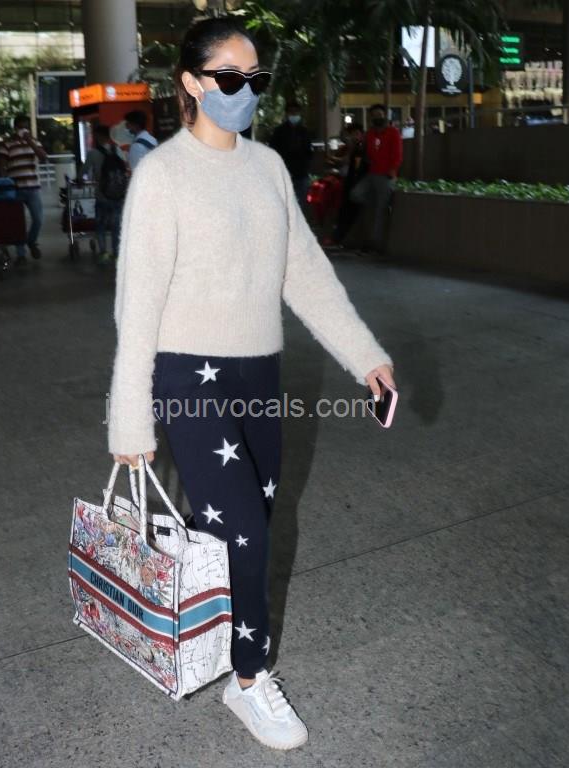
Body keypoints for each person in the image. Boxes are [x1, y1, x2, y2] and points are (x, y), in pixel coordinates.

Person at [108, 17, 396, 751]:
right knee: (247, 527)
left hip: (259, 371)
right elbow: (136, 309)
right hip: (188, 376)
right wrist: (129, 420)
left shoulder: (267, 168)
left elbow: (306, 274)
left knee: (239, 520)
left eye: (255, 78)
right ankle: (249, 676)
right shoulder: (161, 175)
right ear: (191, 83)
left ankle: (209, 626)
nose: (245, 90)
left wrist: (365, 357)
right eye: (230, 77)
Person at [349, 103, 403, 255]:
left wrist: (391, 171)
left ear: (385, 116)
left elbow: (398, 155)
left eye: (379, 115)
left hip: (386, 176)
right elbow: (364, 152)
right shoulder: (370, 134)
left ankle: (374, 244)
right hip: (371, 174)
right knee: (355, 194)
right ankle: (372, 203)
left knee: (380, 212)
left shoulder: (393, 132)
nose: (377, 118)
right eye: (374, 116)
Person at [0, 115, 47, 261]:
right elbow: (2, 166)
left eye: (26, 127)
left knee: (38, 219)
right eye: (21, 127)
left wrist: (29, 141)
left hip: (33, 187)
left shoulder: (34, 141)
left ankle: (31, 241)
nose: (23, 130)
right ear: (15, 128)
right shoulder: (7, 144)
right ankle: (21, 254)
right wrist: (5, 184)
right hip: (15, 189)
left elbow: (43, 157)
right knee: (18, 222)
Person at [81, 124, 127, 264]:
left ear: (99, 136)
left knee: (100, 225)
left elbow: (83, 172)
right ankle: (116, 253)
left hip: (102, 195)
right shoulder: (117, 150)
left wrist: (79, 179)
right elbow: (124, 168)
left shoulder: (93, 153)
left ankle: (103, 253)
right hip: (118, 195)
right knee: (116, 225)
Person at [328, 121, 367, 246]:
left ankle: (340, 238)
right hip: (349, 182)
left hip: (356, 183)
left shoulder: (361, 148)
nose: (354, 137)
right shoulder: (351, 148)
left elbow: (354, 165)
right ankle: (339, 237)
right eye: (352, 134)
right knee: (344, 210)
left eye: (356, 133)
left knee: (349, 211)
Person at [268, 100, 313, 208]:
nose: (294, 114)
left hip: (301, 171)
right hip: (284, 170)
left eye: (296, 112)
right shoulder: (279, 131)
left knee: (301, 201)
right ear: (287, 113)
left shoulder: (304, 131)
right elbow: (273, 150)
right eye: (291, 112)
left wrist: (307, 164)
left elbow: (308, 150)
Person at [124, 110, 158, 175]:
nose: (126, 127)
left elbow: (136, 171)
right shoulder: (152, 139)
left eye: (128, 124)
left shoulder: (137, 146)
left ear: (135, 125)